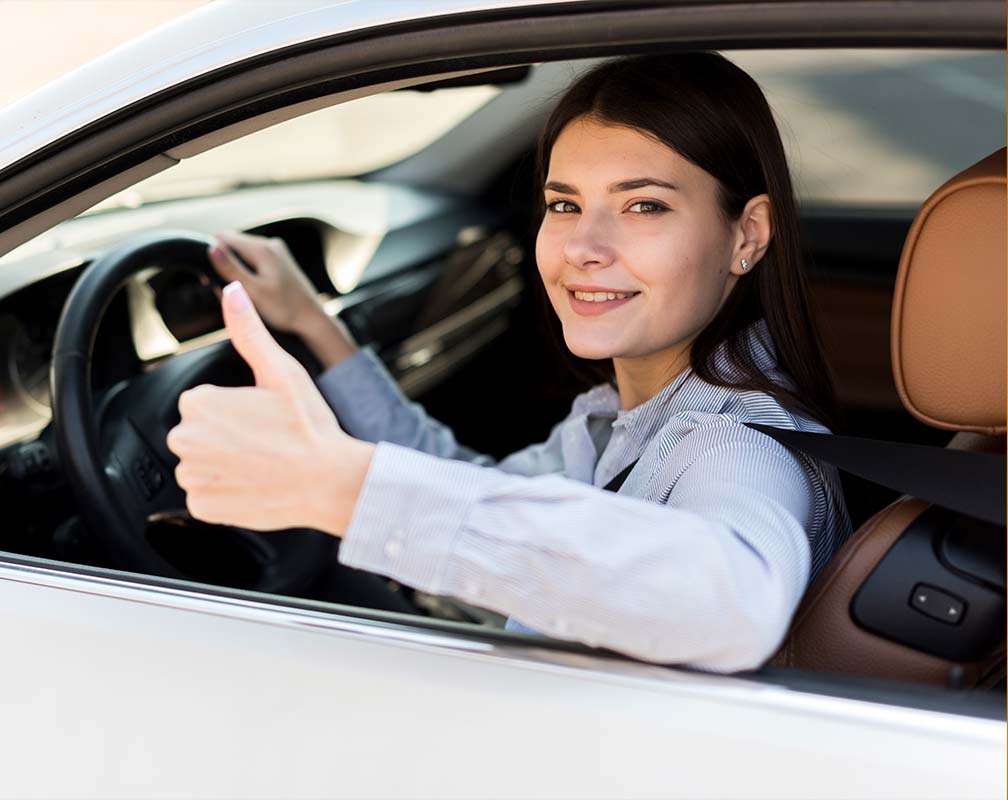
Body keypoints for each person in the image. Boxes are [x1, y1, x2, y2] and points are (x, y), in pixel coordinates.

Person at [166, 52, 853, 673]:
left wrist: (343, 490)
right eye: (564, 204)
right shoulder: (619, 417)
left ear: (748, 234)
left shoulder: (738, 440)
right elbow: (459, 481)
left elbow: (734, 604)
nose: (584, 245)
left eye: (644, 206)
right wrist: (316, 325)